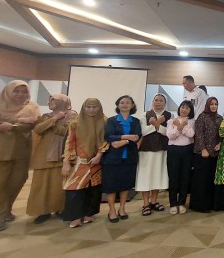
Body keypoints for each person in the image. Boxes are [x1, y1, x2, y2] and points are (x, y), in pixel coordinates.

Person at [0, 80, 40, 232]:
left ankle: (6, 210)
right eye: (16, 91)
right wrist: (19, 120)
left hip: (21, 151)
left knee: (18, 181)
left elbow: (32, 124)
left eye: (24, 91)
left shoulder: (32, 106)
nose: (20, 94)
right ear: (8, 91)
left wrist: (11, 125)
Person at [27, 94, 77, 224]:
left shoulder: (72, 115)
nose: (49, 102)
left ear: (61, 102)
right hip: (43, 155)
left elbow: (64, 131)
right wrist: (56, 118)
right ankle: (43, 211)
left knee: (58, 186)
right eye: (49, 100)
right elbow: (38, 129)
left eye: (52, 100)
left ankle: (60, 209)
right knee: (41, 185)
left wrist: (52, 124)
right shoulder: (46, 116)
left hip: (61, 155)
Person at [61, 98, 107, 228]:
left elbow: (106, 140)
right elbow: (69, 143)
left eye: (94, 107)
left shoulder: (104, 121)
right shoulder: (75, 123)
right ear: (83, 108)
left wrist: (99, 155)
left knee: (93, 189)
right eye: (88, 107)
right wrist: (66, 162)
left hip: (95, 162)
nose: (91, 110)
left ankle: (88, 214)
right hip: (78, 163)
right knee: (74, 190)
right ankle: (75, 216)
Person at [101, 95, 142, 223]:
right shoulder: (111, 120)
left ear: (132, 105)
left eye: (128, 102)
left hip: (129, 158)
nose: (124, 105)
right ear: (118, 105)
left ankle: (122, 208)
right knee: (111, 186)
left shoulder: (135, 121)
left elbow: (137, 136)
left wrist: (122, 141)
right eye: (122, 102)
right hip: (112, 159)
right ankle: (112, 210)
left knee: (125, 185)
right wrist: (127, 137)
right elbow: (109, 136)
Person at [136, 94, 171, 216]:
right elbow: (144, 132)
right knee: (145, 176)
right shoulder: (144, 115)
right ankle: (145, 203)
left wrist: (156, 124)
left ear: (165, 103)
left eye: (161, 100)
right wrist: (156, 124)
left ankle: (154, 201)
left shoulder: (169, 116)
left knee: (157, 175)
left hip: (162, 150)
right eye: (156, 100)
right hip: (146, 151)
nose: (158, 102)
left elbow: (168, 133)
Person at [191, 97, 223, 213]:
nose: (213, 106)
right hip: (202, 154)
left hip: (214, 154)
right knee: (202, 180)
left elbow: (222, 134)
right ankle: (201, 206)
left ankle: (210, 204)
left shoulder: (220, 118)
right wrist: (203, 149)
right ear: (207, 105)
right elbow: (199, 134)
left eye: (216, 104)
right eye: (211, 104)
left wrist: (220, 143)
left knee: (211, 180)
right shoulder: (202, 116)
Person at [166, 100, 195, 215]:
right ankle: (173, 203)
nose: (184, 110)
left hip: (187, 150)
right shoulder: (171, 121)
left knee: (185, 177)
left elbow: (191, 135)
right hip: (173, 150)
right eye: (182, 107)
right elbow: (170, 136)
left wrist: (181, 126)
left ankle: (182, 203)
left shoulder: (192, 122)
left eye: (187, 108)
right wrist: (179, 127)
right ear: (179, 108)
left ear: (190, 111)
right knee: (173, 177)